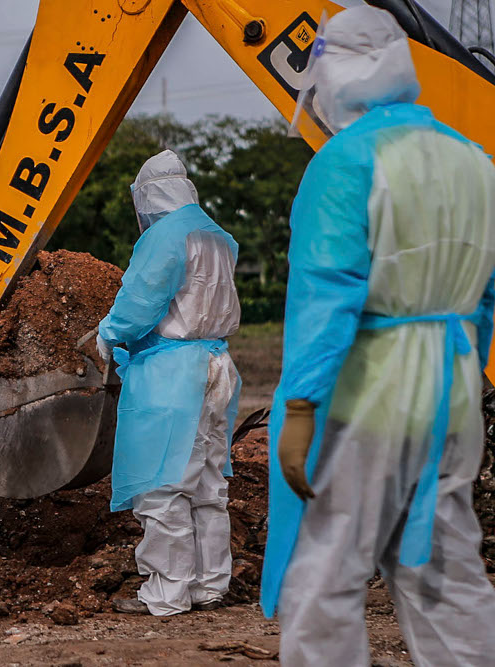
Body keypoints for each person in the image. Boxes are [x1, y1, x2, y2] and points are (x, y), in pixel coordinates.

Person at [259, 6, 495, 665]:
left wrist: (302, 404)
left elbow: (327, 295)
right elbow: (487, 297)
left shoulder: (344, 162)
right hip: (452, 388)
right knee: (444, 571)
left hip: (369, 394)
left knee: (326, 570)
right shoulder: (475, 161)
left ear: (335, 73)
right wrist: (466, 375)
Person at [97, 150, 241, 617]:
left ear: (148, 196)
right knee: (208, 482)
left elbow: (141, 299)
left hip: (173, 371)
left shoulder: (165, 236)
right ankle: (210, 585)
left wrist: (108, 333)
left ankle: (168, 591)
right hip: (217, 363)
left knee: (163, 483)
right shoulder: (218, 235)